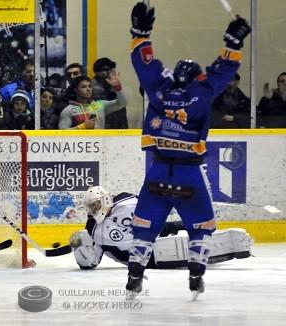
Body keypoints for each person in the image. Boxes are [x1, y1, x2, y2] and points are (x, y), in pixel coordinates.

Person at [126, 2, 251, 300]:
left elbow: (144, 65)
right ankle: (196, 273)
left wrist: (139, 33)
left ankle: (134, 276)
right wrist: (233, 43)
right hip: (190, 174)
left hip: (157, 170)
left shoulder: (159, 91)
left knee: (145, 227)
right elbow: (222, 71)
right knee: (201, 227)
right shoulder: (201, 92)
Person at [70, 186, 252, 270]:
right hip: (142, 257)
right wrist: (80, 248)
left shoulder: (126, 200)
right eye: (90, 207)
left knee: (186, 226)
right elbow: (90, 263)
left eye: (95, 205)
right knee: (175, 248)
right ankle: (232, 245)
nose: (93, 210)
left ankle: (211, 236)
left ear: (105, 200)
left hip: (152, 232)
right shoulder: (93, 229)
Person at [58, 76, 127, 129]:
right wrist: (82, 127)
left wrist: (118, 89)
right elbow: (62, 133)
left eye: (90, 86)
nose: (88, 89)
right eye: (83, 87)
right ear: (76, 90)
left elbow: (122, 104)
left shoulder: (100, 105)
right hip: (81, 146)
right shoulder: (68, 110)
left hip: (101, 145)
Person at [91, 57, 129, 129]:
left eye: (111, 69)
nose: (109, 72)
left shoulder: (114, 84)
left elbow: (122, 104)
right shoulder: (90, 88)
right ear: (96, 72)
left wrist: (117, 88)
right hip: (102, 131)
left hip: (120, 130)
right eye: (105, 70)